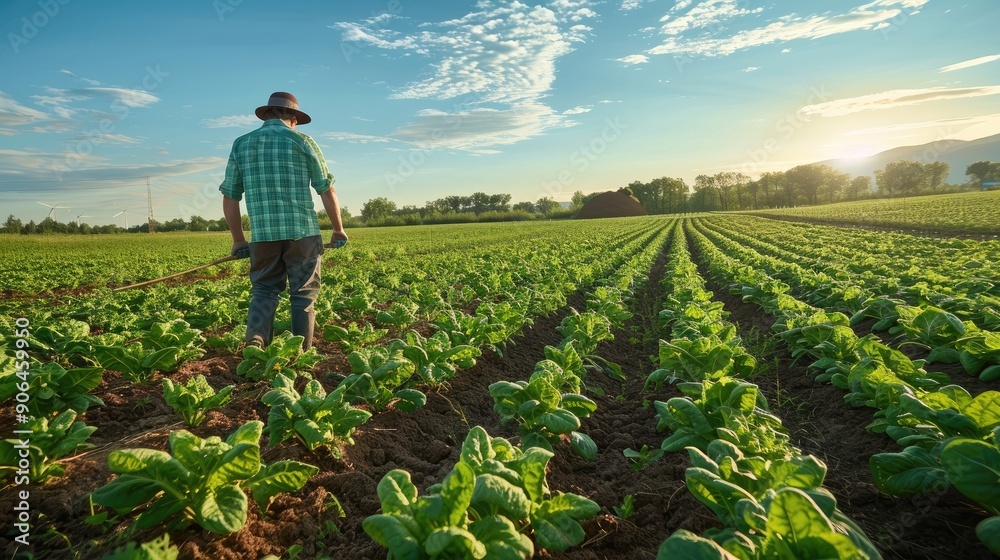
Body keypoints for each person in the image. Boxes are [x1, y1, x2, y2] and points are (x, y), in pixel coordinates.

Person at [219, 91, 348, 351]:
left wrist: (238, 240)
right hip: (303, 234)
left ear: (267, 115)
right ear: (293, 118)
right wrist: (338, 229)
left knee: (264, 290)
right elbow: (326, 188)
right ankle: (301, 353)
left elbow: (230, 196)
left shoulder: (242, 144)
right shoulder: (303, 141)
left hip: (264, 236)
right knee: (303, 295)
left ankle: (256, 340)